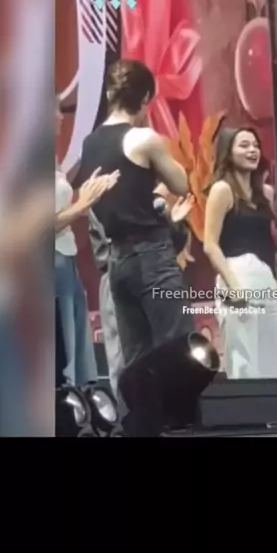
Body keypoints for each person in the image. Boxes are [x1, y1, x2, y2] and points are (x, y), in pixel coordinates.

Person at [75, 59, 194, 368]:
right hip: (153, 257)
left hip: (117, 262)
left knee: (136, 360)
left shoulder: (89, 143)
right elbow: (181, 183)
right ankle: (177, 404)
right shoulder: (144, 138)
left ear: (109, 94)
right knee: (177, 350)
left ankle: (141, 403)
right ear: (145, 99)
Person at [88, 186, 195, 396]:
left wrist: (173, 222)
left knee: (172, 348)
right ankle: (128, 410)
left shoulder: (154, 197)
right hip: (117, 274)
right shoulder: (103, 192)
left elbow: (172, 244)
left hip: (158, 271)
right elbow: (103, 248)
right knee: (125, 360)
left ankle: (172, 408)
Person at [204, 127, 277, 379]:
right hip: (237, 275)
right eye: (244, 145)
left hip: (265, 278)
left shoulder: (265, 193)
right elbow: (210, 244)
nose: (252, 150)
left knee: (274, 360)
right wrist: (233, 286)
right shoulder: (222, 190)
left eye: (255, 145)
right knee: (244, 363)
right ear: (228, 152)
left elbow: (264, 240)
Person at [55, 96, 119, 387]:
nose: (61, 117)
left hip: (66, 261)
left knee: (76, 349)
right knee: (60, 353)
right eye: (55, 110)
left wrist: (88, 193)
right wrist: (83, 203)